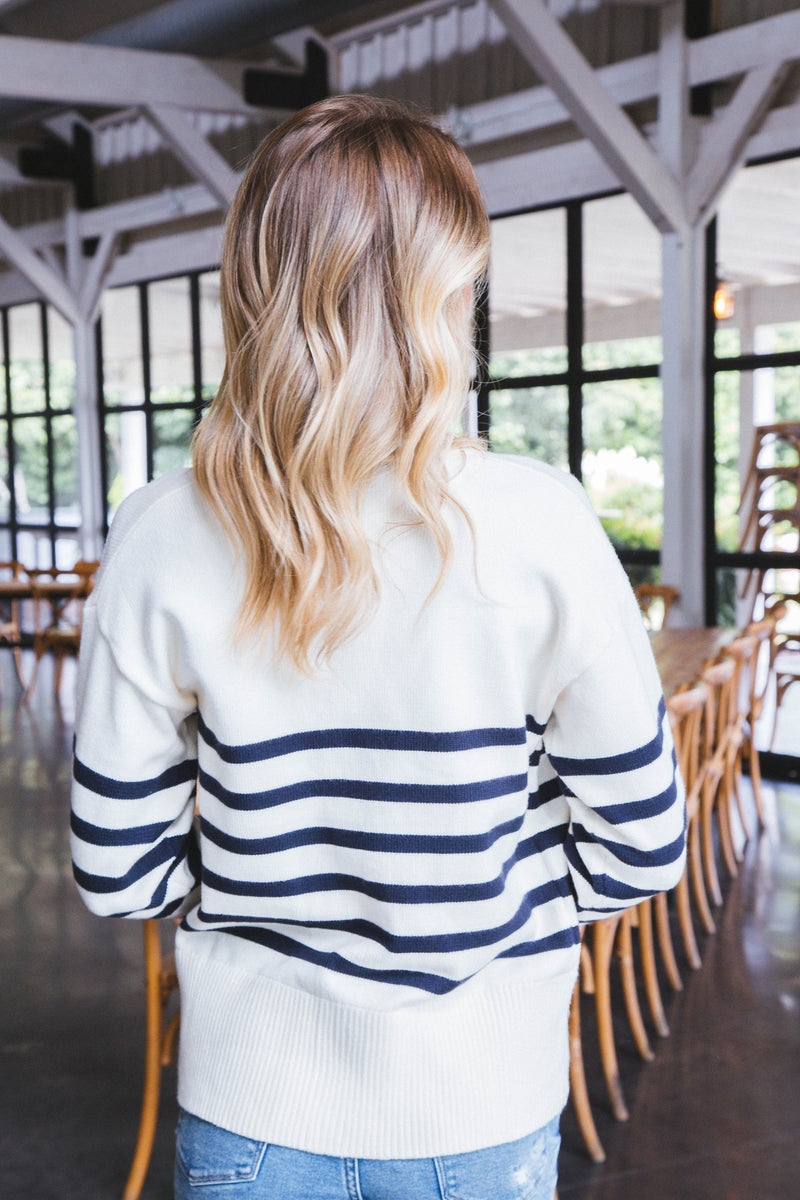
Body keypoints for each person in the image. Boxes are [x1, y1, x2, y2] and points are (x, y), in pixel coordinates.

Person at [71, 94, 685, 1200]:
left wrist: (267, 912)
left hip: (248, 1107)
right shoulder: (541, 520)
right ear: (447, 294)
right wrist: (483, 923)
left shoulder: (162, 531)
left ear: (253, 287)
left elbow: (118, 869)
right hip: (483, 1105)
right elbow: (640, 845)